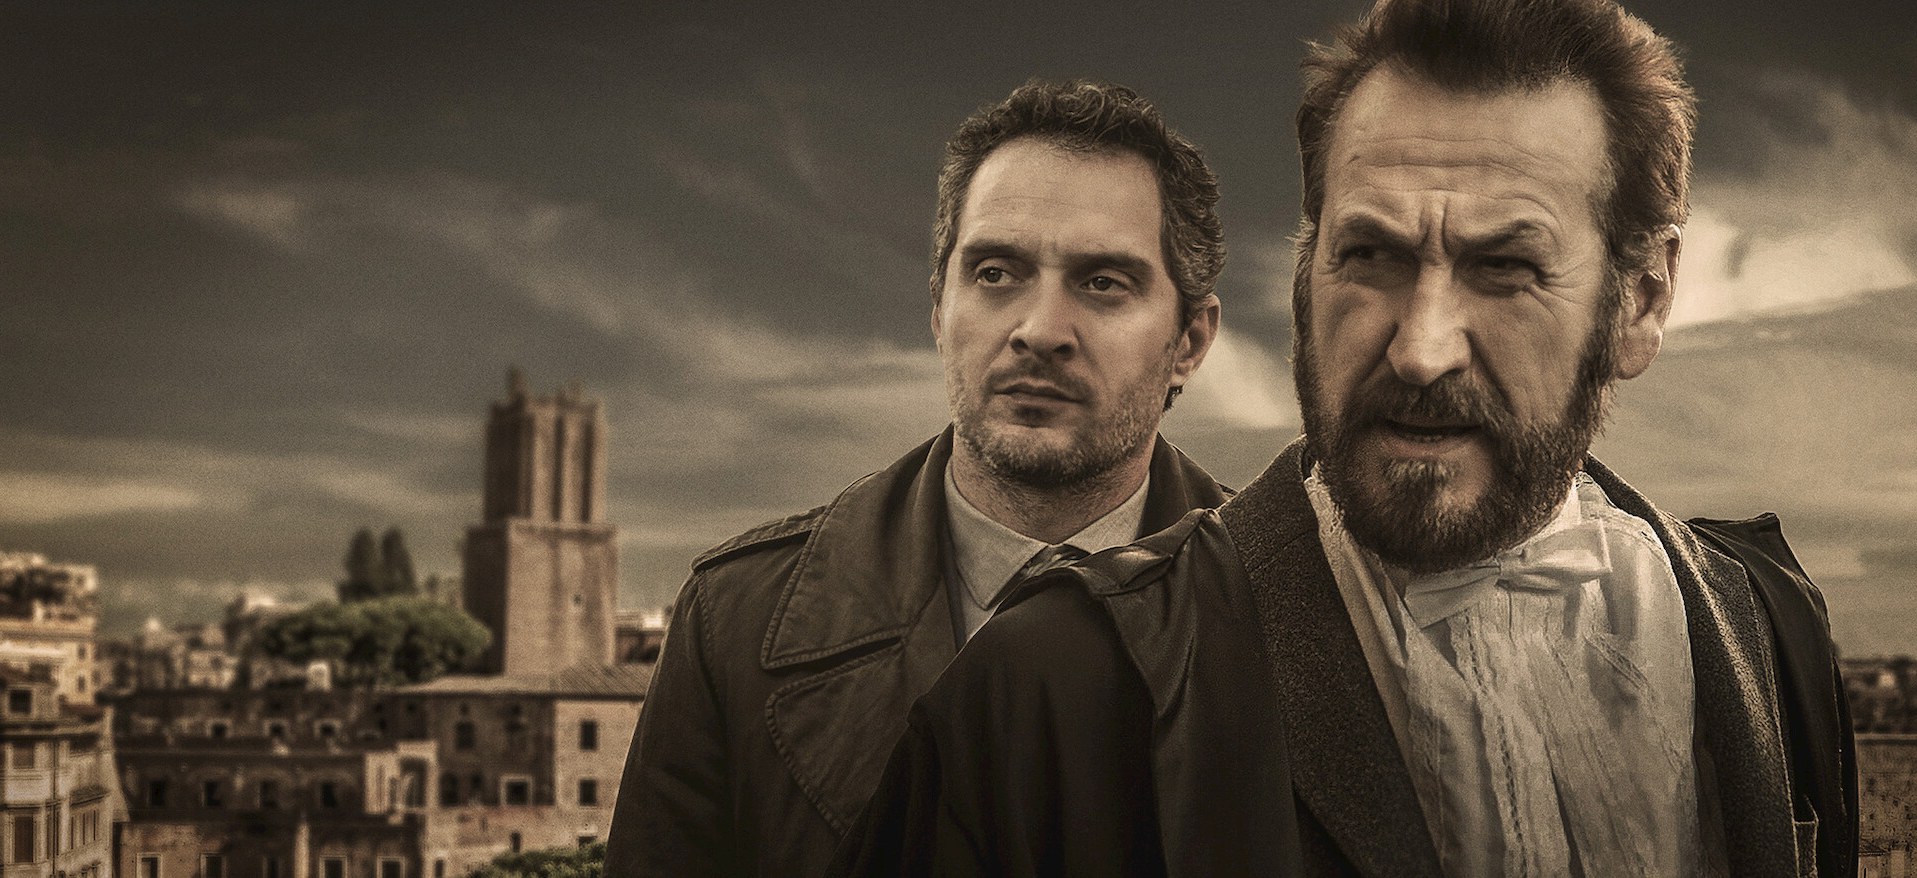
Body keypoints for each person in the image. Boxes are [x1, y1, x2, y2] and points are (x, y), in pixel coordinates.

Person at [830, 0, 1858, 875]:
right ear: (1304, 270)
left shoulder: (1768, 627)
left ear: (1642, 298)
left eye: (1504, 268)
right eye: (1371, 255)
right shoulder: (1042, 693)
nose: (1419, 349)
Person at [604, 79, 1230, 877]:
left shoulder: (1296, 607)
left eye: (1103, 282)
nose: (1040, 331)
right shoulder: (733, 627)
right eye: (995, 273)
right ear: (939, 309)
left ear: (1189, 341)